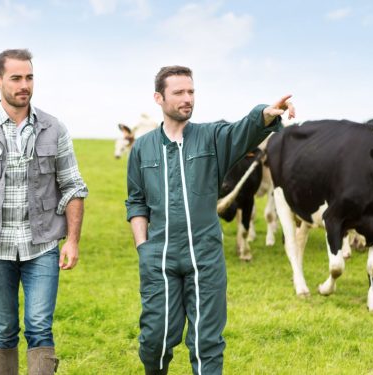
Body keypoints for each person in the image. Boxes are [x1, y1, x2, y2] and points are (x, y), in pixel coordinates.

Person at [125, 66, 294, 375]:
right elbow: (136, 201)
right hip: (159, 257)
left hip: (205, 256)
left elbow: (245, 128)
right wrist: (144, 248)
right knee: (155, 340)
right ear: (158, 98)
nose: (187, 98)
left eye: (191, 91)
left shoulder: (212, 137)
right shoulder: (143, 148)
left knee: (207, 344)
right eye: (179, 93)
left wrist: (267, 114)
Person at [0, 49, 88, 375]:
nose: (24, 85)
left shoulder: (54, 129)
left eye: (29, 77)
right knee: (4, 327)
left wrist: (73, 241)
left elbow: (74, 187)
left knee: (39, 326)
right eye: (16, 78)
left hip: (42, 247)